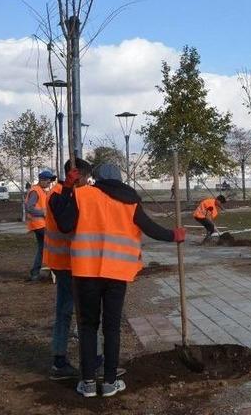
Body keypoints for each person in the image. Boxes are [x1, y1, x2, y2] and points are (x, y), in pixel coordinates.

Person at [53, 163, 186, 397]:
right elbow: (150, 228)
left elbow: (64, 225)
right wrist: (174, 235)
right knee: (112, 327)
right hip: (117, 273)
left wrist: (67, 187)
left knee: (88, 327)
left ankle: (88, 383)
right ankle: (110, 382)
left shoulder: (82, 194)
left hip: (86, 273)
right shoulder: (130, 200)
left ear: (96, 177)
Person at [44, 159, 93, 380]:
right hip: (66, 264)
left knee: (70, 311)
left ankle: (66, 360)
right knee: (75, 312)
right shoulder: (57, 194)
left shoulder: (74, 192)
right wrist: (68, 189)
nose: (87, 182)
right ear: (76, 175)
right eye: (85, 178)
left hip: (73, 262)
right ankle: (69, 361)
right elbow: (65, 224)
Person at [26, 169, 56, 281]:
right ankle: (54, 270)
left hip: (40, 224)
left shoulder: (41, 191)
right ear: (42, 180)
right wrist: (43, 213)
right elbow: (29, 208)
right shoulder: (35, 191)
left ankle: (35, 272)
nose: (49, 183)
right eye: (48, 181)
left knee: (42, 248)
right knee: (52, 245)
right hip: (38, 224)